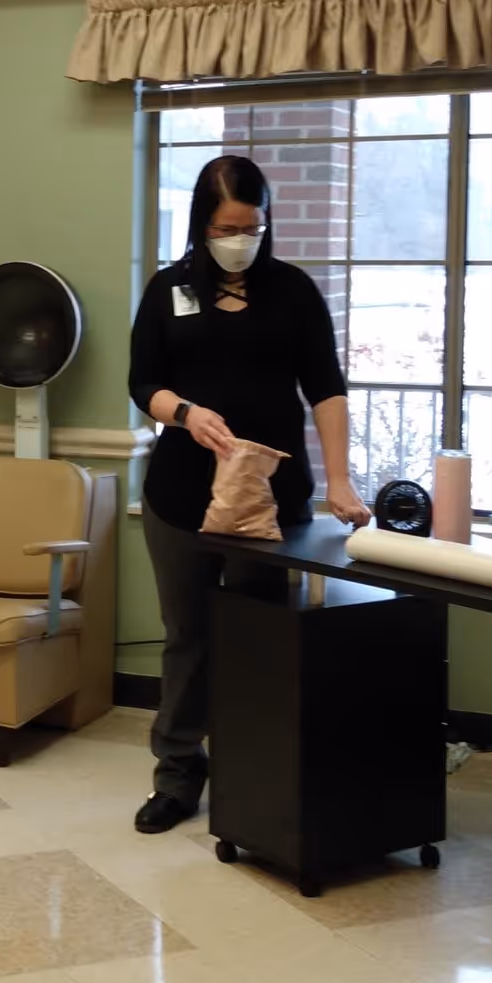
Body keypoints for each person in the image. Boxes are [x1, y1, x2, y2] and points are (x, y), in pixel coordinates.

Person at [128, 154, 371, 834]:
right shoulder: (169, 289)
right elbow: (143, 382)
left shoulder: (292, 291)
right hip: (182, 496)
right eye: (227, 228)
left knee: (255, 639)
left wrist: (339, 479)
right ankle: (178, 776)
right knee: (188, 638)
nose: (241, 240)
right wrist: (185, 413)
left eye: (252, 227)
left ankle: (252, 777)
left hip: (270, 500)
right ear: (201, 225)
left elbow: (326, 388)